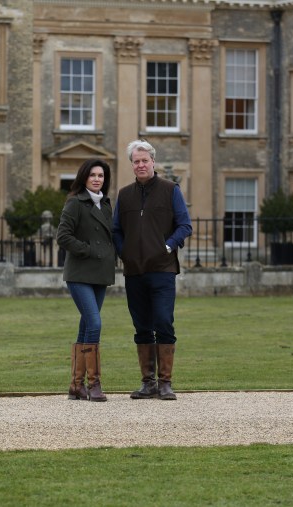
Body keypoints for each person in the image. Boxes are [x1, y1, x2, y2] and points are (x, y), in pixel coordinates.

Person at [112, 140, 192, 401]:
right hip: (134, 271)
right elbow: (116, 231)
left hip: (162, 269)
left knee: (163, 322)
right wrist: (125, 252)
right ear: (132, 165)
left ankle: (166, 383)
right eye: (136, 161)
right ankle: (148, 383)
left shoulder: (171, 190)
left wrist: (168, 246)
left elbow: (184, 225)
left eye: (145, 160)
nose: (141, 165)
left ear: (153, 162)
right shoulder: (124, 195)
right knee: (141, 325)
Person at [56, 158, 116, 402]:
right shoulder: (75, 203)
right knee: (94, 323)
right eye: (92, 175)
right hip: (79, 273)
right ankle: (94, 384)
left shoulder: (107, 205)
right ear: (84, 177)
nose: (97, 179)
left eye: (101, 175)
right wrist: (89, 250)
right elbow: (63, 236)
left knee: (85, 326)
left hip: (100, 273)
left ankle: (76, 385)